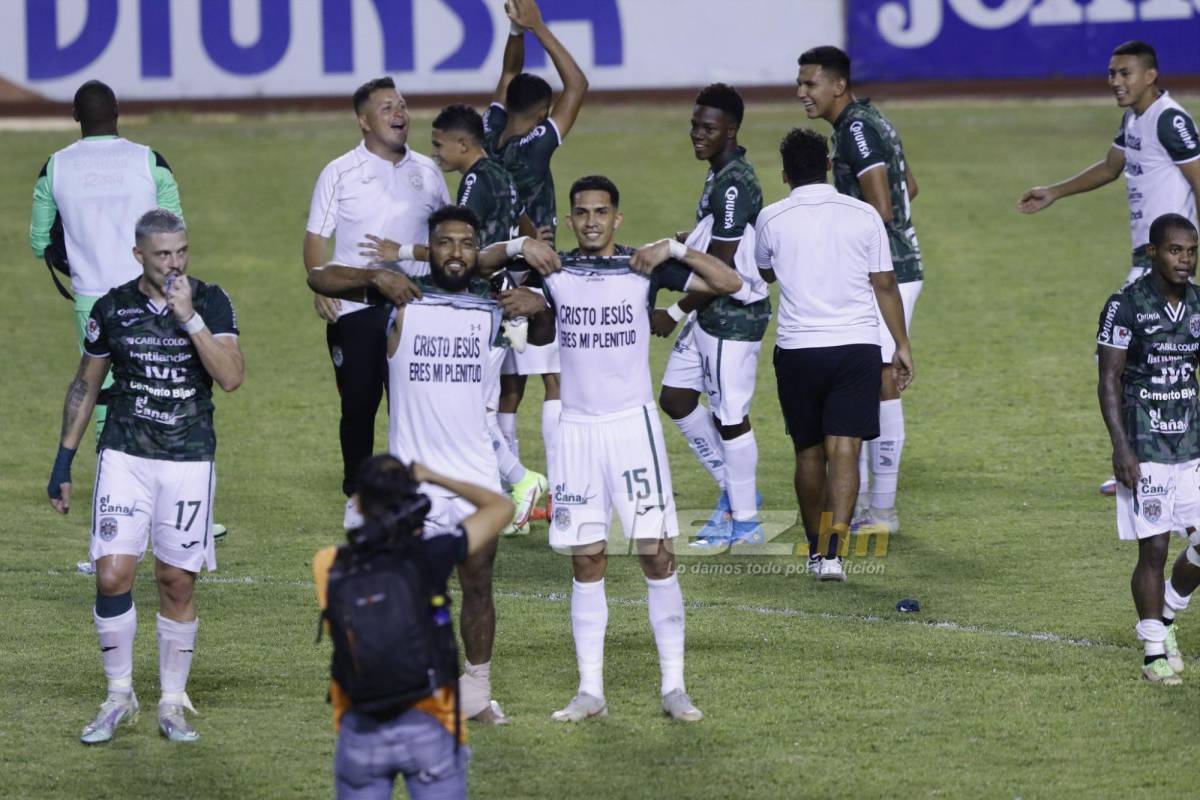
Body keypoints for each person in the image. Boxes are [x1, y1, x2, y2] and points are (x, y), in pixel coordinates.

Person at [514, 175, 743, 722]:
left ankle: (674, 687)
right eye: (582, 212)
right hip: (575, 432)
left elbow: (730, 281)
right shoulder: (555, 271)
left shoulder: (645, 268)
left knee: (656, 554)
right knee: (587, 559)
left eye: (601, 211)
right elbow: (515, 306)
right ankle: (590, 691)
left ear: (617, 218)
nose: (591, 220)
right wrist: (524, 276)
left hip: (631, 429)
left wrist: (677, 248)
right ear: (570, 220)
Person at [308, 206, 548, 725]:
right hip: (412, 481)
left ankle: (478, 691)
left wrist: (541, 301)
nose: (455, 252)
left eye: (465, 243)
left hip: (474, 476)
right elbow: (318, 275)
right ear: (430, 248)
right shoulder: (401, 300)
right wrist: (377, 275)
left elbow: (553, 336)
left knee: (478, 583)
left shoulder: (495, 309)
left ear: (476, 251)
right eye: (444, 243)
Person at [46, 209, 243, 744]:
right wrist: (64, 460)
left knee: (176, 580)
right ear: (140, 256)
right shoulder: (112, 308)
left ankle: (173, 702)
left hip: (188, 459)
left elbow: (230, 377)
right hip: (126, 456)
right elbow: (86, 384)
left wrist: (190, 320)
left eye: (181, 251)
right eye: (162, 254)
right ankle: (118, 695)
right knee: (112, 575)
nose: (174, 262)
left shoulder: (210, 300)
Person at [1019, 40, 1200, 496]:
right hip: (1146, 260)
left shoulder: (1170, 120)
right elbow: (1110, 166)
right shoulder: (1135, 119)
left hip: (1163, 264)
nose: (1115, 82)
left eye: (1124, 73)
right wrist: (1055, 191)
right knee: (1137, 360)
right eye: (1111, 74)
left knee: (1121, 358)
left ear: (1150, 76)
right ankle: (1147, 459)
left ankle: (1143, 461)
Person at [755, 129, 913, 582]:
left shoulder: (771, 217)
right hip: (855, 347)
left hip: (799, 350)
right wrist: (900, 346)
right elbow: (884, 284)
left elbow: (764, 272)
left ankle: (812, 550)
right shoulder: (864, 214)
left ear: (785, 174)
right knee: (845, 449)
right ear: (827, 165)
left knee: (808, 453)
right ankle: (832, 556)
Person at [313, 455, 513, 799]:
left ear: (357, 502)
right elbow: (500, 508)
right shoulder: (431, 556)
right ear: (413, 500)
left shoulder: (328, 564)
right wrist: (436, 477)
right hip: (430, 725)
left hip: (362, 729)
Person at [304, 76, 450, 528]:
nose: (399, 113)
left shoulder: (427, 171)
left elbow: (450, 234)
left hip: (418, 308)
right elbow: (315, 241)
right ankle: (358, 494)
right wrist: (320, 287)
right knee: (360, 405)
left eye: (402, 105)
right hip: (357, 307)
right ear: (363, 120)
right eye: (387, 107)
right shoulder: (340, 172)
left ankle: (422, 494)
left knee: (417, 404)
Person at [796, 46, 923, 536]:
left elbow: (884, 208)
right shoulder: (868, 120)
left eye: (810, 84)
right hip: (889, 266)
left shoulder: (853, 130)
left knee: (883, 382)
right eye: (801, 84)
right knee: (873, 379)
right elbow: (910, 185)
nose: (802, 93)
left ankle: (883, 509)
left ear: (837, 86)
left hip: (886, 272)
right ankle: (872, 499)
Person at [650, 83, 771, 548]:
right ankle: (735, 490)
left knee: (730, 416)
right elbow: (718, 241)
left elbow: (719, 266)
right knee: (676, 398)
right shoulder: (720, 173)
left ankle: (745, 521)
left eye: (708, 128)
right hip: (713, 312)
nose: (697, 135)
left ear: (731, 130)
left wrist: (675, 310)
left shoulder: (736, 181)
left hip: (733, 318)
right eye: (695, 125)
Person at [30, 80, 183, 437]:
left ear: (74, 116)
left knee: (101, 391)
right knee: (154, 384)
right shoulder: (150, 160)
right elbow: (175, 230)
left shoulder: (54, 168)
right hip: (150, 295)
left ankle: (109, 480)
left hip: (91, 296)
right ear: (117, 111)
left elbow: (39, 242)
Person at [486, 0, 589, 512]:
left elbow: (508, 72)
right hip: (532, 265)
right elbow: (578, 86)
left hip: (490, 265)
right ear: (543, 115)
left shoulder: (487, 133)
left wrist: (512, 29)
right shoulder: (536, 144)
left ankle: (512, 489)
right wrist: (538, 27)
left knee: (506, 386)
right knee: (553, 375)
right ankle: (559, 493)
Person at [426, 102, 549, 528]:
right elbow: (518, 230)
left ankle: (520, 481)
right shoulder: (498, 172)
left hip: (485, 305)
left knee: (473, 410)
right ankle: (503, 493)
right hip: (503, 300)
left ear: (463, 143)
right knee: (483, 406)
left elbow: (462, 251)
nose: (436, 153)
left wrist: (402, 253)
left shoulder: (476, 181)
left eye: (440, 144)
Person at [1096, 213, 1200, 685]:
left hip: (1191, 441)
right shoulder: (1126, 307)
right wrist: (1122, 448)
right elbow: (1109, 379)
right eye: (1176, 250)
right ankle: (1153, 653)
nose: (1185, 260)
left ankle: (1169, 616)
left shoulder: (1198, 304)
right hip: (1147, 442)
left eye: (1192, 251)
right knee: (1154, 550)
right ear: (1154, 252)